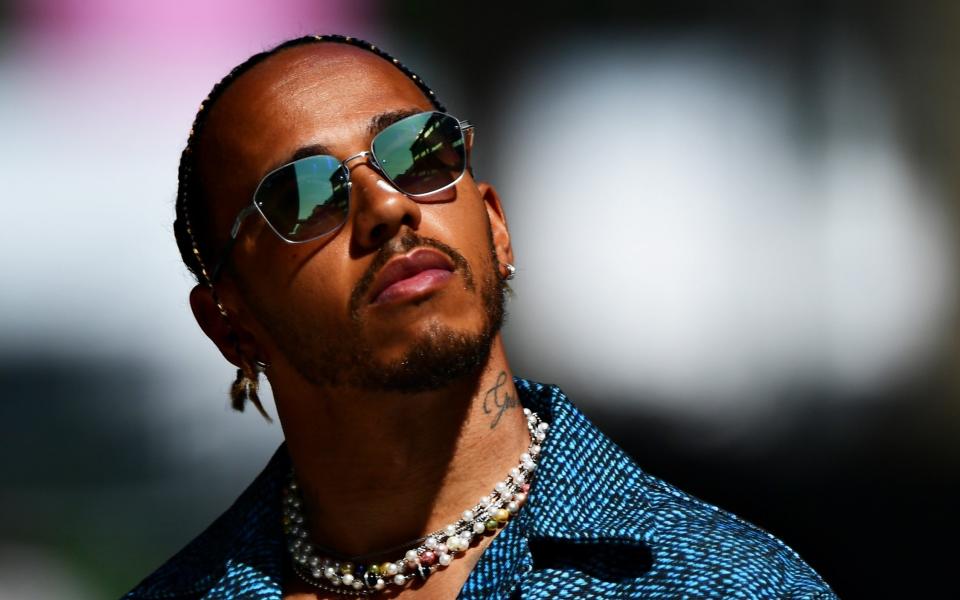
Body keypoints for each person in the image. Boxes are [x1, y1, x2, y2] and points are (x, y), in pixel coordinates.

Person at [123, 34, 837, 599]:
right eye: (305, 197)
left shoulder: (717, 584)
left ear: (495, 227)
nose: (389, 207)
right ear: (230, 326)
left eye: (420, 153)